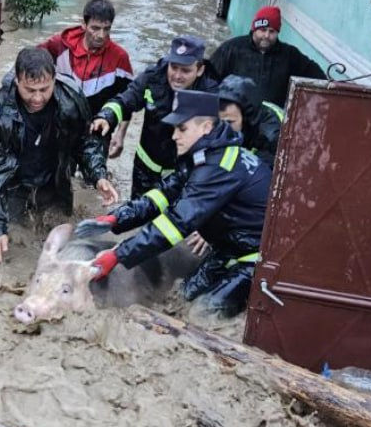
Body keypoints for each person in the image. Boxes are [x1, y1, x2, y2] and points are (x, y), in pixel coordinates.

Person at [83, 89, 272, 317]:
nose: (174, 136)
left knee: (202, 314)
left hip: (257, 260)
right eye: (174, 128)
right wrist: (115, 219)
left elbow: (175, 225)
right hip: (229, 251)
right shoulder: (204, 156)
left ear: (206, 127)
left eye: (182, 129)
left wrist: (119, 255)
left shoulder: (218, 167)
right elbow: (161, 195)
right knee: (181, 298)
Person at [0, 47, 118, 263]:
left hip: (54, 179)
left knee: (62, 239)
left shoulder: (71, 100)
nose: (37, 98)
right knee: (15, 239)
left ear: (55, 80)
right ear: (17, 81)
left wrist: (98, 175)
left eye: (44, 89)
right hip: (16, 182)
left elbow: (85, 143)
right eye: (30, 90)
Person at [91, 35, 218, 198]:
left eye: (185, 70)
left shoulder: (210, 94)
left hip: (183, 175)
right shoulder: (154, 76)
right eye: (174, 67)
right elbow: (128, 98)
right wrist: (106, 116)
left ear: (200, 70)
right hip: (145, 169)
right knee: (137, 214)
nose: (177, 76)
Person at [38, 0, 133, 158]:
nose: (101, 35)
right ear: (84, 24)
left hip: (98, 127)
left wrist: (121, 135)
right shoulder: (59, 45)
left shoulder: (119, 58)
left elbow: (129, 99)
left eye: (106, 29)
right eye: (95, 28)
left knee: (94, 178)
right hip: (63, 123)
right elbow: (29, 63)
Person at [209, 5, 325, 107]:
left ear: (278, 32)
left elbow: (317, 77)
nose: (266, 35)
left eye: (272, 31)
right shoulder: (231, 48)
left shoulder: (290, 55)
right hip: (235, 117)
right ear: (254, 29)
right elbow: (209, 78)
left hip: (271, 121)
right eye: (263, 30)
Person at [217, 75, 284, 165]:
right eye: (219, 121)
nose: (222, 127)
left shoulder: (271, 136)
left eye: (229, 122)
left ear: (246, 118)